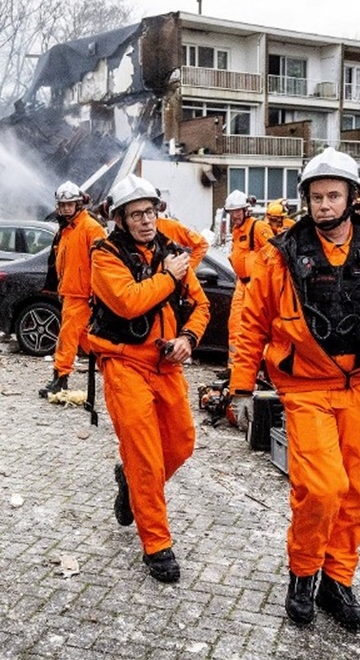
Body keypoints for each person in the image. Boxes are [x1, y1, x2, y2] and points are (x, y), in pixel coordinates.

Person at [228, 148, 360, 631]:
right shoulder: (281, 253)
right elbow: (252, 324)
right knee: (323, 489)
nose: (324, 205)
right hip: (307, 388)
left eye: (333, 195)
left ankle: (337, 581)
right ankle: (303, 574)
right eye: (316, 196)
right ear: (306, 200)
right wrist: (241, 386)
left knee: (356, 494)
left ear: (352, 197)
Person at [87, 174, 209, 583]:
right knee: (143, 453)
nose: (145, 221)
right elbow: (127, 302)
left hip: (167, 364)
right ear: (120, 219)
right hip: (124, 364)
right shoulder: (106, 255)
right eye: (135, 214)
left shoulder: (172, 254)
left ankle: (130, 483)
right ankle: (156, 544)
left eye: (150, 212)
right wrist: (169, 277)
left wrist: (189, 338)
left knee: (181, 443)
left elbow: (201, 305)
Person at [38, 182, 106, 398]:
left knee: (67, 337)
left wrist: (97, 294)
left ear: (79, 204)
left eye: (70, 204)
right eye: (63, 204)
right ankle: (115, 370)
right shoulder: (67, 229)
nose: (66, 208)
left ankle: (60, 378)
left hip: (82, 294)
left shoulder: (90, 227)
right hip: (71, 292)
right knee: (88, 340)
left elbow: (102, 263)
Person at [223, 189, 272, 372]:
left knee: (258, 327)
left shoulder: (258, 228)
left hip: (256, 285)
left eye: (237, 212)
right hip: (242, 284)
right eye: (231, 213)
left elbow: (274, 255)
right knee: (235, 326)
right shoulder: (237, 231)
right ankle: (234, 369)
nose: (234, 216)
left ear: (246, 210)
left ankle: (265, 369)